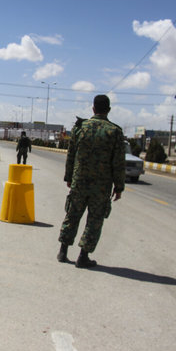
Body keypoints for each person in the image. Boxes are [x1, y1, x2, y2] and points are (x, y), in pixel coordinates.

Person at [57, 94, 125, 268]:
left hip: (79, 181)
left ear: (93, 109)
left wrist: (69, 178)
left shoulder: (81, 128)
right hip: (101, 186)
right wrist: (119, 187)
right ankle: (83, 256)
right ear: (108, 110)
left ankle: (63, 251)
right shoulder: (114, 132)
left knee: (72, 215)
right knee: (94, 220)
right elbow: (118, 162)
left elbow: (71, 155)